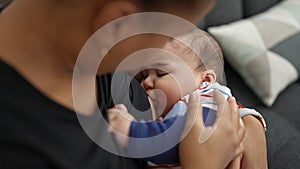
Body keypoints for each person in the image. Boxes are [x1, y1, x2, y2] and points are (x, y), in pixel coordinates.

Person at [0, 0, 267, 169]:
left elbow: (197, 80)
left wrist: (248, 123)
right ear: (117, 24)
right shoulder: (23, 149)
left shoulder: (100, 54)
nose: (146, 80)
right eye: (169, 35)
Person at [107, 30, 266, 169]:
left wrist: (131, 130)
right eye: (143, 76)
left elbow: (174, 139)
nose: (146, 83)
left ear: (206, 80)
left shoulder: (208, 100)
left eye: (161, 73)